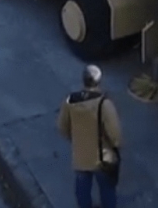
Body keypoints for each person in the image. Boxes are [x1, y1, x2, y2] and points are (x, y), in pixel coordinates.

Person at [57, 65, 122, 208]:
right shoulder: (104, 104)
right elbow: (115, 133)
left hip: (80, 154)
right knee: (107, 189)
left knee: (82, 189)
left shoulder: (70, 101)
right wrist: (116, 145)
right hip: (102, 157)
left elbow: (62, 127)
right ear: (99, 81)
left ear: (83, 80)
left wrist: (74, 139)